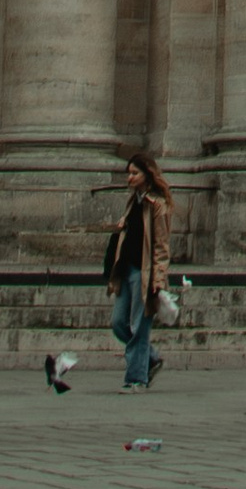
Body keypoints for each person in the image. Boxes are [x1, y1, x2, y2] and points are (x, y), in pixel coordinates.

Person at [103, 155, 173, 402]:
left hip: (145, 274)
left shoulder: (157, 204)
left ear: (147, 175)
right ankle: (151, 358)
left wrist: (158, 280)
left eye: (134, 173)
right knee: (119, 323)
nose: (129, 177)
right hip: (127, 270)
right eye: (129, 172)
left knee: (139, 328)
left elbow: (161, 246)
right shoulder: (134, 202)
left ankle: (136, 379)